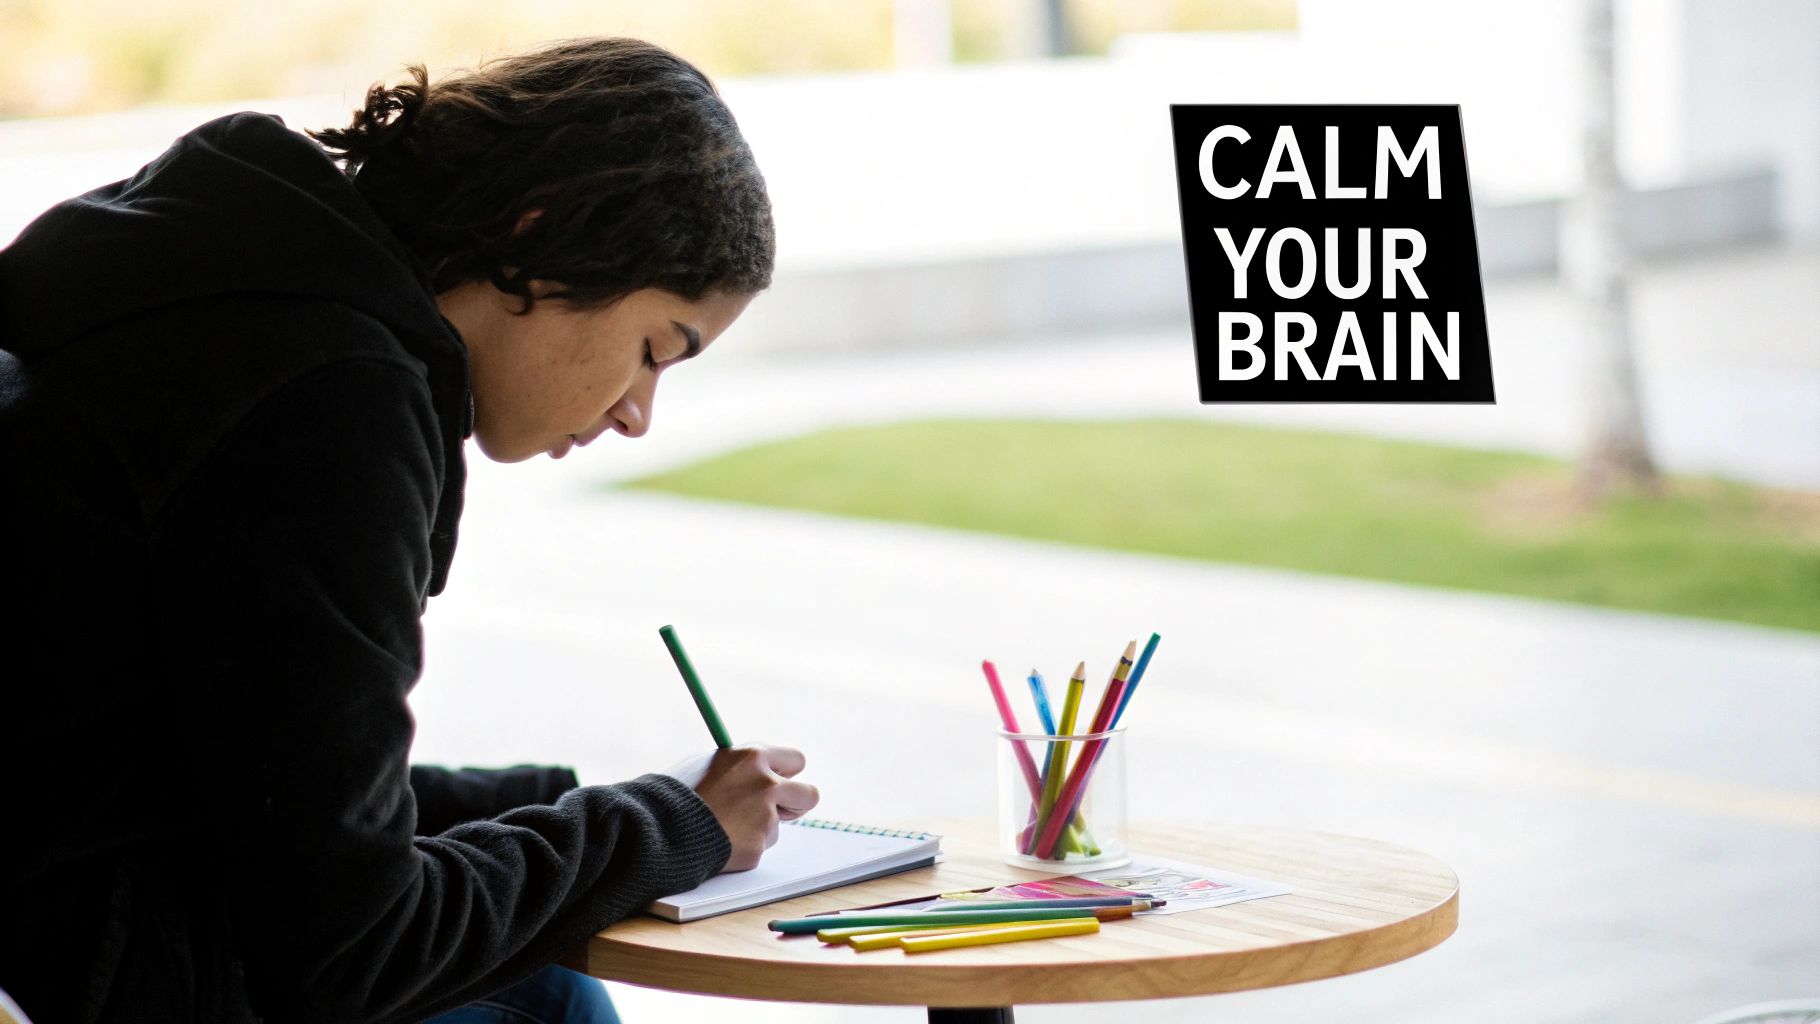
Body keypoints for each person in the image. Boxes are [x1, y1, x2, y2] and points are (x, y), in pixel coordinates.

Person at [0, 37, 818, 1024]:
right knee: (550, 1009)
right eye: (652, 351)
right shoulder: (330, 403)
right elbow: (356, 942)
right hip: (105, 963)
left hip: (67, 901)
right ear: (540, 231)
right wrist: (663, 826)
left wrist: (575, 800)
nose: (636, 412)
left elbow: (272, 781)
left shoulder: (235, 277)